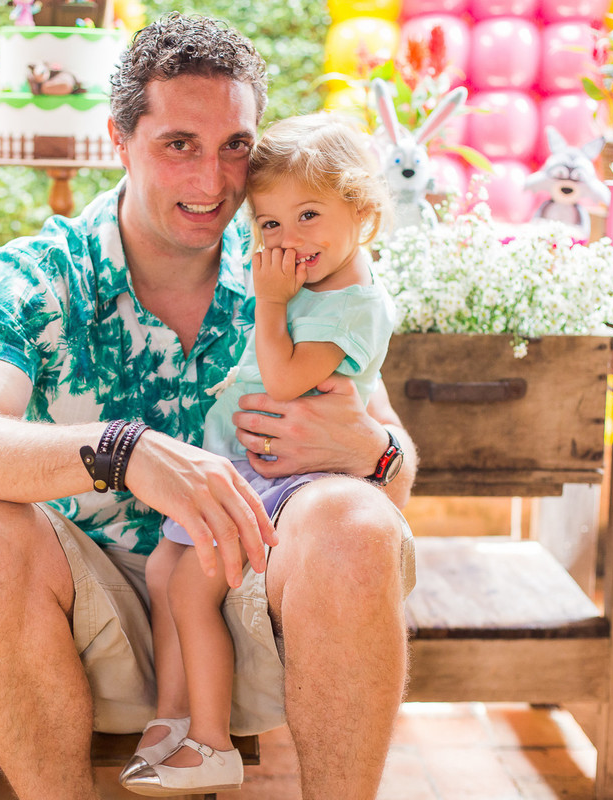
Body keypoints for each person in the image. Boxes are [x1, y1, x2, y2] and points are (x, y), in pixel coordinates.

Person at [0, 13, 417, 800]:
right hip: (76, 623)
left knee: (357, 521)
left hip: (251, 611)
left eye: (234, 147)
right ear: (120, 138)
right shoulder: (41, 276)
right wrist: (123, 451)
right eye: (179, 145)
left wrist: (372, 451)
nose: (212, 183)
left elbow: (394, 482)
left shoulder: (294, 259)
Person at [120, 113, 398, 795]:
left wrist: (270, 304)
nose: (289, 239)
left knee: (191, 588)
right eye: (270, 223)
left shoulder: (352, 305)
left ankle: (212, 742)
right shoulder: (321, 283)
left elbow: (284, 378)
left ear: (361, 211)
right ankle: (171, 718)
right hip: (240, 464)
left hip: (282, 479)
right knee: (162, 568)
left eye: (309, 216)